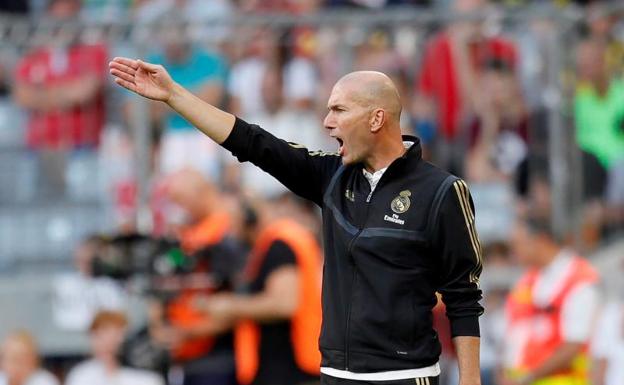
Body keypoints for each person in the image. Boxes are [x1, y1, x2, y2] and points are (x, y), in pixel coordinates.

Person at [109, 57, 484, 385]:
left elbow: (463, 299)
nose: (326, 122)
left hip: (404, 377)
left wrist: (470, 381)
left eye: (339, 110)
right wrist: (174, 95)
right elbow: (252, 142)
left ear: (376, 118)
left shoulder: (442, 191)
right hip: (335, 375)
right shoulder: (331, 177)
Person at [195, 197, 323, 385]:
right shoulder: (273, 243)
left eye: (232, 221)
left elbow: (284, 304)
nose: (229, 230)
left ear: (249, 217)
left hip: (290, 370)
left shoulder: (280, 244)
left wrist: (229, 306)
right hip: (286, 368)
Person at [148, 168, 243, 385]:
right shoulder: (187, 232)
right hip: (185, 354)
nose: (178, 208)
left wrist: (187, 332)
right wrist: (159, 324)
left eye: (180, 199)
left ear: (202, 191)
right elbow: (164, 274)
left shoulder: (227, 229)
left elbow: (236, 299)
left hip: (219, 355)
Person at [503, 216, 600, 385]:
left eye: (518, 244)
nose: (513, 252)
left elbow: (574, 346)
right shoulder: (528, 279)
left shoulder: (579, 279)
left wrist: (527, 379)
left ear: (541, 240)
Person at [65, 310, 164, 385]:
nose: (109, 342)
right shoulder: (82, 376)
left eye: (116, 335)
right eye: (102, 335)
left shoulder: (146, 378)